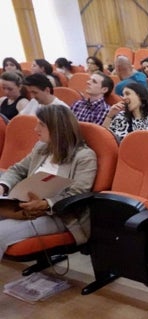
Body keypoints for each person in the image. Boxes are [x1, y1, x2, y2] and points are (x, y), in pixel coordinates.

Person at [0, 105, 97, 258]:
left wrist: (46, 203)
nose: (35, 129)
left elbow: (78, 193)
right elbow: (17, 170)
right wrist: (3, 186)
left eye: (41, 124)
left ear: (57, 128)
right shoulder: (41, 147)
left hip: (59, 215)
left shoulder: (84, 156)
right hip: (23, 206)